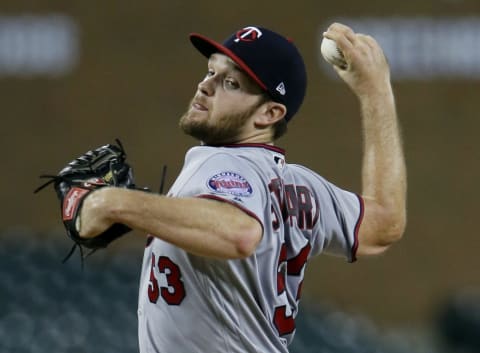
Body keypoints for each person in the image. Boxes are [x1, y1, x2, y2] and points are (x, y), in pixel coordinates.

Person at [77, 23, 407, 353]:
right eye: (210, 71)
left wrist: (111, 202)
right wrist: (376, 92)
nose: (206, 86)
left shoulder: (223, 163)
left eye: (230, 83)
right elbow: (383, 223)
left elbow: (241, 232)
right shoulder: (299, 185)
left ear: (269, 113)